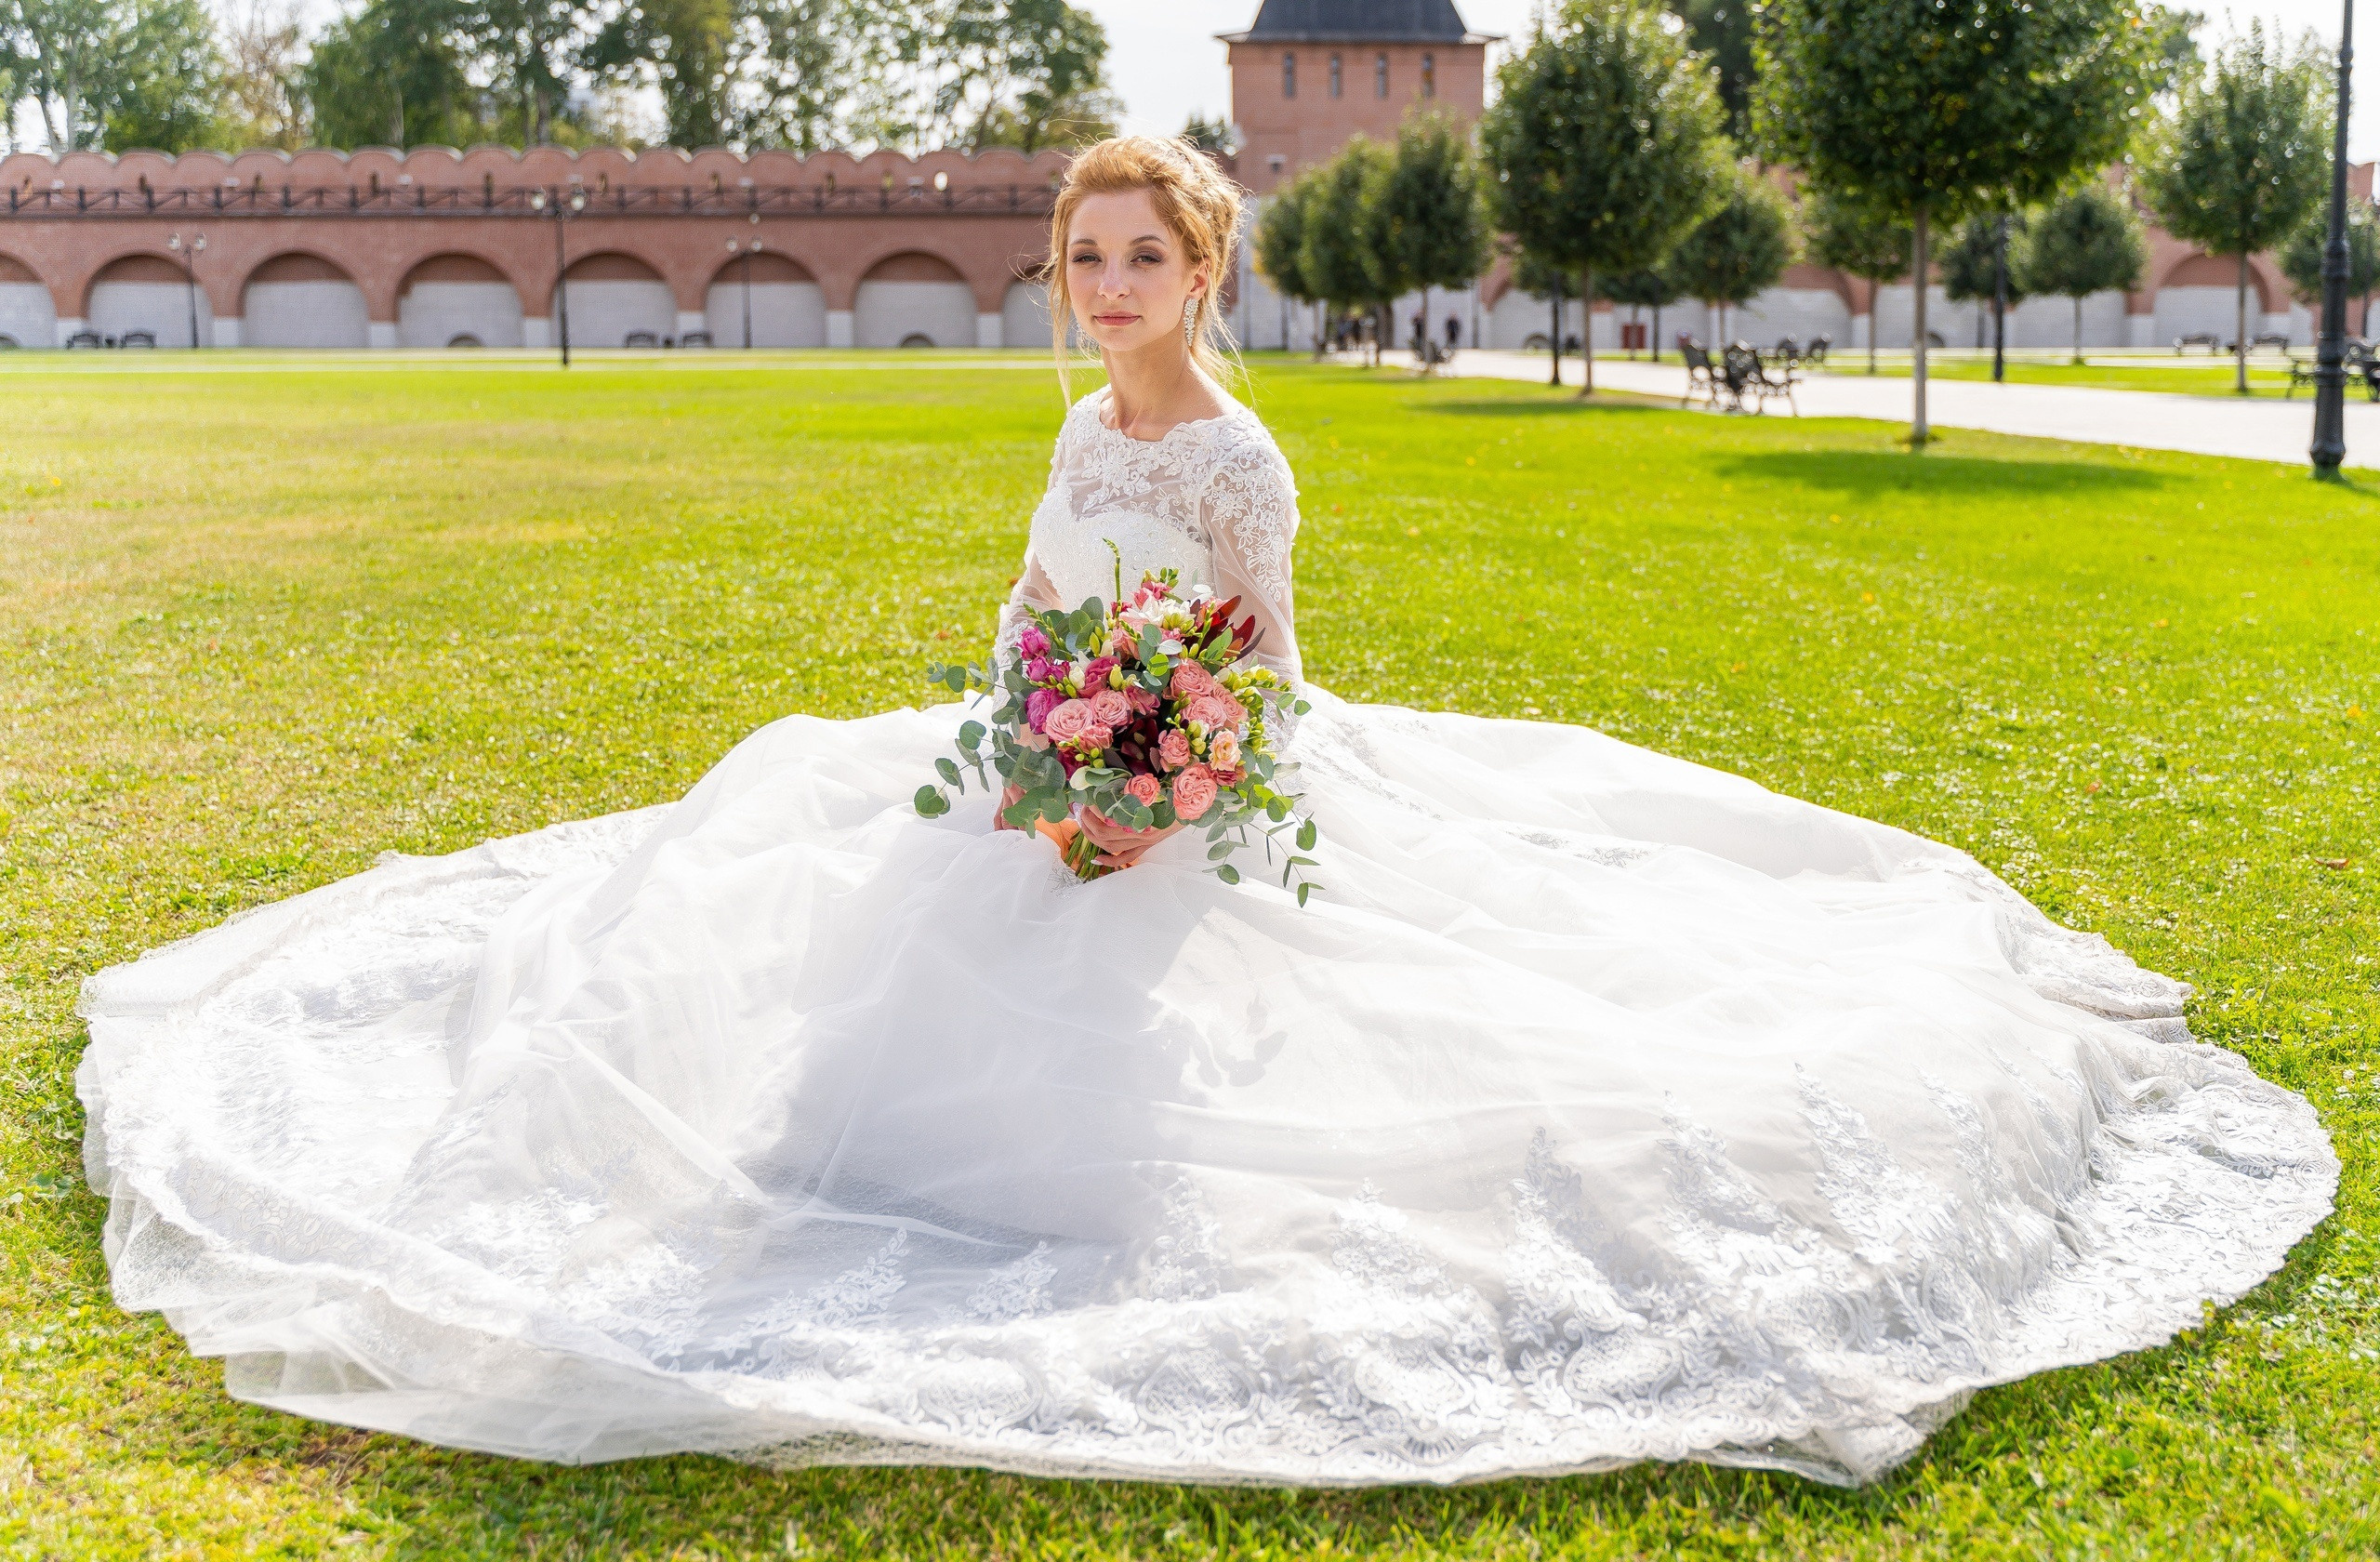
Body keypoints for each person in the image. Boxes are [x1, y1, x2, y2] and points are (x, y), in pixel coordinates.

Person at [78, 135, 2334, 1490]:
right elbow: (1036, 598)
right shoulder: (1074, 432)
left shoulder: (1243, 455)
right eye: (1079, 258)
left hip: (1215, 778)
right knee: (788, 923)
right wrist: (1034, 737)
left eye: (1136, 256)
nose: (1104, 286)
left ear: (1203, 268)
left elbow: (1246, 659)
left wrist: (1156, 780)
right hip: (1052, 745)